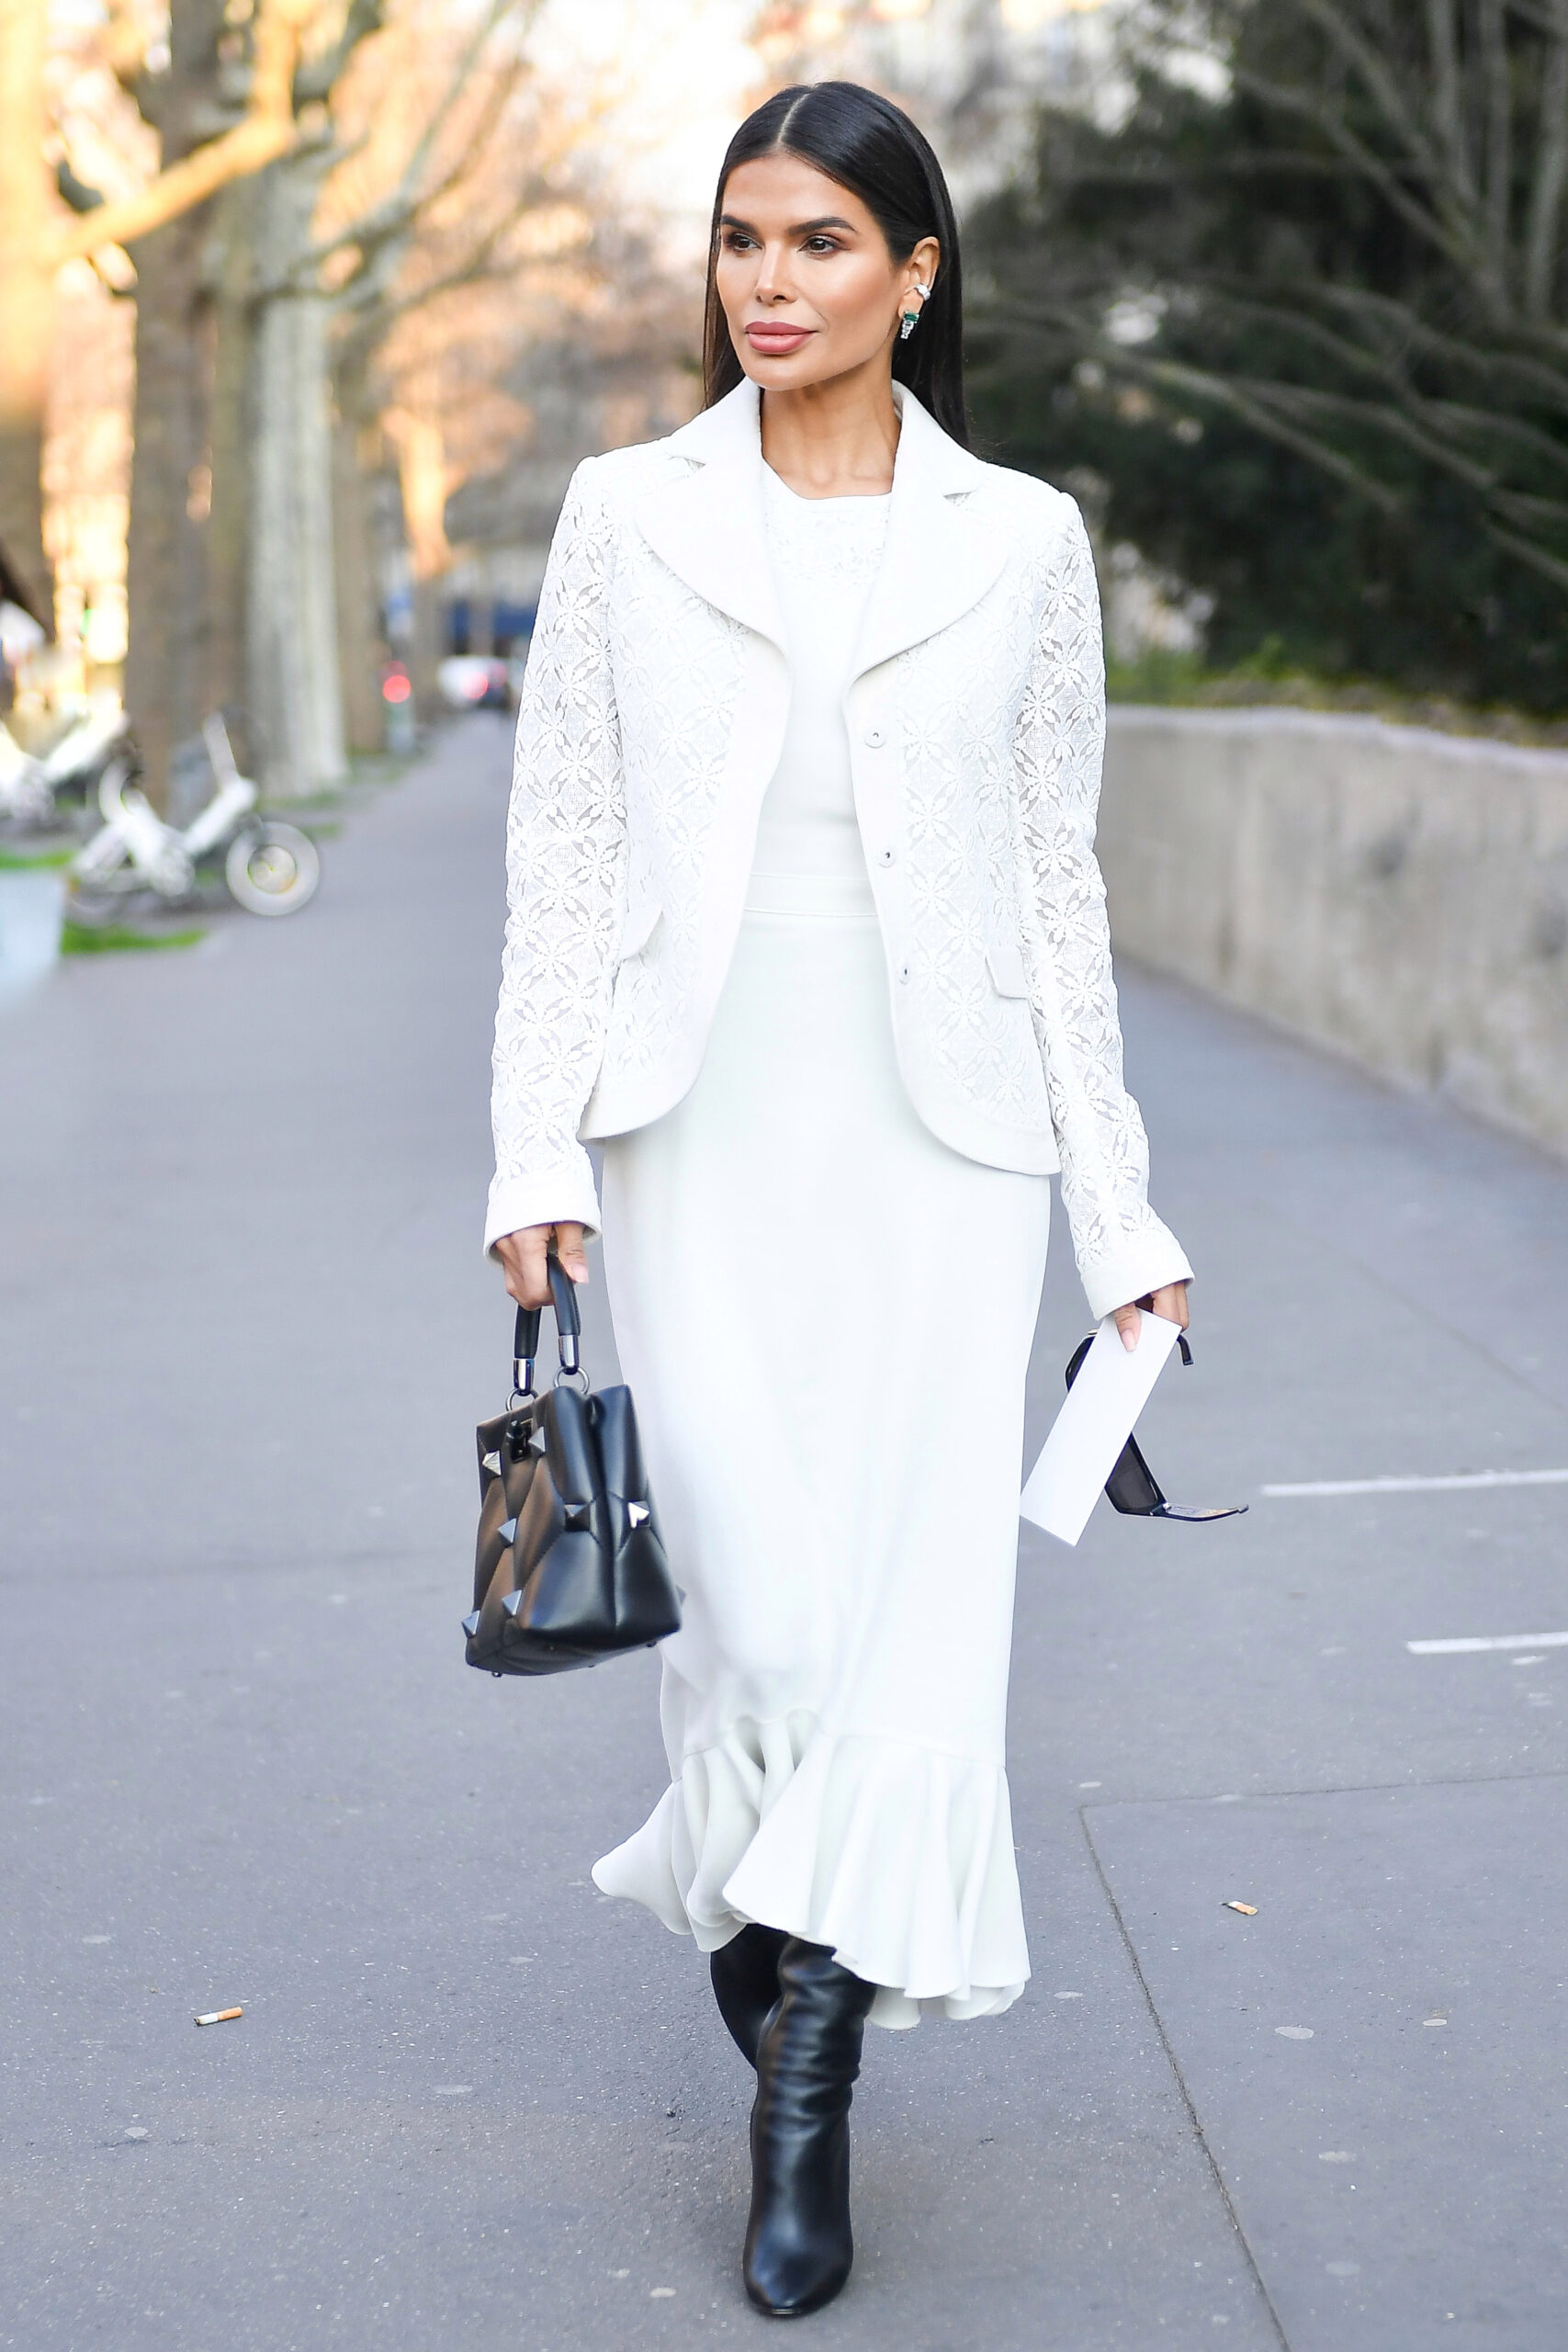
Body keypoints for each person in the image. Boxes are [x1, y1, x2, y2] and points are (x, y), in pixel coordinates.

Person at [485, 79, 1191, 2320]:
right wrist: (528, 1145)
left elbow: (1053, 890)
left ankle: (804, 2103)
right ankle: (790, 1963)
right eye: (739, 242)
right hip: (693, 1120)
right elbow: (567, 853)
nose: (765, 285)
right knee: (753, 1623)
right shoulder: (622, 512)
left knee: (898, 1622)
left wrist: (1124, 1220)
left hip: (944, 1139)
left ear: (915, 271)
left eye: (813, 245)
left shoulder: (1024, 536)